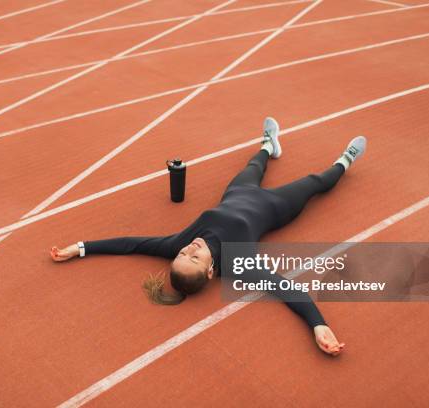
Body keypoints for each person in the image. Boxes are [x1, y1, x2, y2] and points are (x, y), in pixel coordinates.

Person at [51, 117, 367, 356]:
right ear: (211, 270)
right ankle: (345, 160)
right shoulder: (240, 264)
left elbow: (129, 244)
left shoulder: (174, 245)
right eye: (195, 257)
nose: (190, 248)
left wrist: (80, 248)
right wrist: (318, 324)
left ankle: (269, 145)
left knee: (254, 165)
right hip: (276, 207)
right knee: (316, 182)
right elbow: (287, 290)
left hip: (237, 193)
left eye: (183, 254)